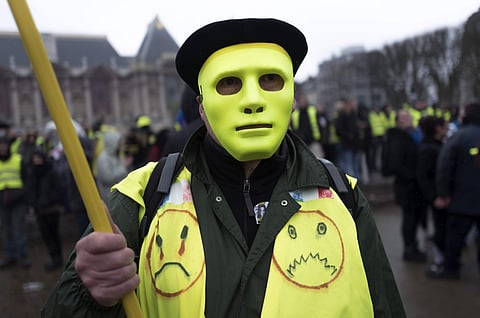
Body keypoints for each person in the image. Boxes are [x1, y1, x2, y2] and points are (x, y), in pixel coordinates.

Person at [42, 18, 405, 317]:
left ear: (293, 97)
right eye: (229, 83)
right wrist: (88, 293)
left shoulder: (343, 194)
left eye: (270, 80)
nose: (252, 101)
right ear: (201, 106)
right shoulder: (139, 197)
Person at [427, 102, 480, 279]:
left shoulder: (458, 137)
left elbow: (444, 167)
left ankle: (451, 269)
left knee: (455, 238)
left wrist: (443, 193)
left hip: (462, 199)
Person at [383, 109, 428, 262]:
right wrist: (412, 175)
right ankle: (409, 249)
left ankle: (413, 246)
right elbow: (395, 164)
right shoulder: (398, 138)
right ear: (398, 121)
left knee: (415, 217)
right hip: (407, 186)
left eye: (408, 116)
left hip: (415, 186)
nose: (407, 119)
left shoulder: (413, 134)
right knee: (409, 219)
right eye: (403, 117)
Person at [416, 116, 448, 272]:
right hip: (437, 196)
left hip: (440, 194)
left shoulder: (435, 145)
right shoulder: (429, 149)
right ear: (437, 128)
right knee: (440, 227)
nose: (447, 129)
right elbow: (423, 176)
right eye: (444, 127)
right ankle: (439, 260)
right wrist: (434, 197)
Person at [26, 149, 65, 271]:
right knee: (46, 235)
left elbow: (58, 189)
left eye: (38, 158)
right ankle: (53, 256)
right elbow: (30, 191)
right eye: (35, 158)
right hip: (40, 210)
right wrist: (32, 205)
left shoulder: (51, 172)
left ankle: (57, 257)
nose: (36, 160)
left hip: (51, 209)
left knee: (54, 234)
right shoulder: (32, 173)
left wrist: (48, 201)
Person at [0, 136, 30, 269]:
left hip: (17, 200)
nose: (2, 148)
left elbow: (26, 179)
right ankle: (10, 255)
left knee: (19, 229)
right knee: (6, 230)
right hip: (2, 201)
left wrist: (22, 195)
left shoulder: (18, 160)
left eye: (4, 145)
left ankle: (22, 256)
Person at [95, 130, 133, 200]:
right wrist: (124, 167)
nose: (121, 145)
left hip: (116, 195)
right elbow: (108, 178)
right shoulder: (103, 158)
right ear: (112, 143)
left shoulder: (116, 156)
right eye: (119, 143)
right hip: (107, 196)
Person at [290, 92, 323, 157]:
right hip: (301, 142)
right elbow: (293, 127)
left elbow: (320, 124)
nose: (302, 102)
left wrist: (322, 138)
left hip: (314, 140)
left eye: (304, 100)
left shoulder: (313, 110)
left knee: (318, 160)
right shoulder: (295, 113)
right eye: (301, 100)